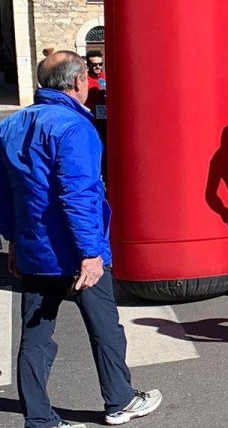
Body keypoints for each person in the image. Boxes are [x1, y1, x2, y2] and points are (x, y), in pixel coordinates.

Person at [0, 52, 163, 427]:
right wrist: (91, 253)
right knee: (105, 328)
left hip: (34, 248)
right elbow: (78, 195)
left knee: (36, 336)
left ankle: (38, 419)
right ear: (77, 82)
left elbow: (6, 194)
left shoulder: (11, 125)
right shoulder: (74, 127)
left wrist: (13, 240)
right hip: (74, 250)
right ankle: (120, 400)